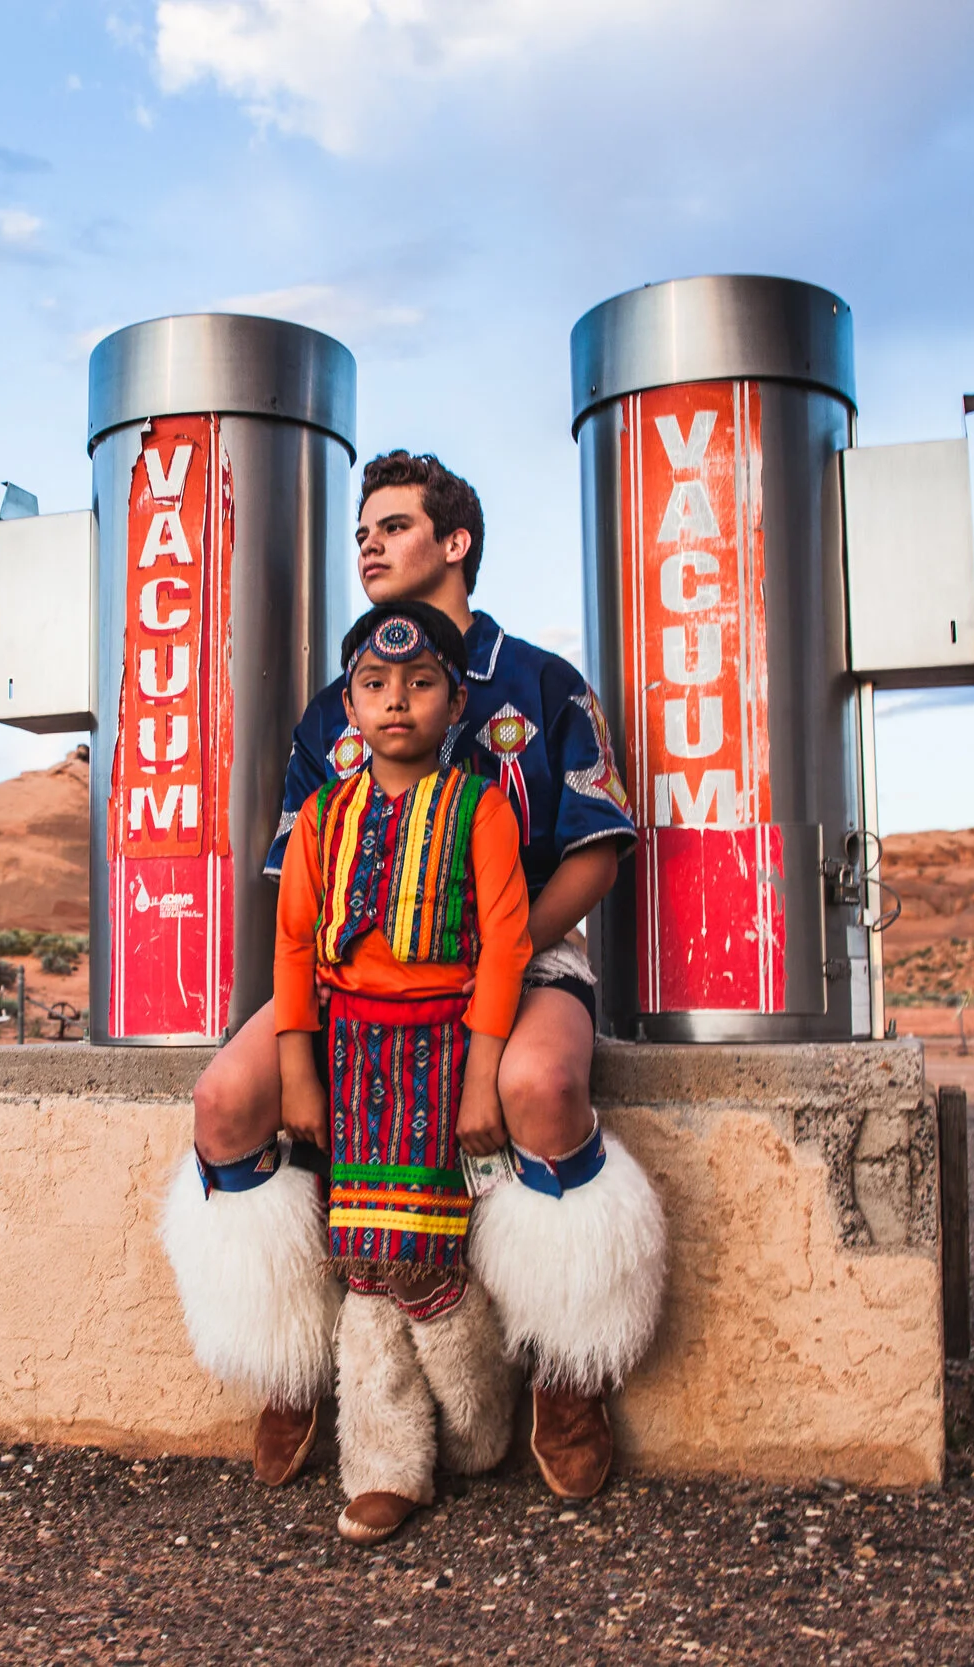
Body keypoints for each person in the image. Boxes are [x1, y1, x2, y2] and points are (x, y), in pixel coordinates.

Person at [158, 450, 668, 1502]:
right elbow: (298, 894)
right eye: (361, 533)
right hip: (357, 973)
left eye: (391, 525)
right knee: (226, 1098)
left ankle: (567, 1370)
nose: (369, 545)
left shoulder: (541, 683)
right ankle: (293, 1363)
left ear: (455, 542)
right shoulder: (333, 709)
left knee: (541, 1087)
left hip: (521, 957)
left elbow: (597, 848)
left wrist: (504, 951)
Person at [271, 601, 529, 1545]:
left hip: (442, 1047)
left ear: (456, 702)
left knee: (427, 1254)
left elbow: (505, 946)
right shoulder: (321, 815)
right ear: (349, 704)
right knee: (364, 1262)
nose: (396, 702)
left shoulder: (481, 808)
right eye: (375, 686)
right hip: (351, 1050)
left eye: (420, 684)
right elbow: (294, 942)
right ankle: (385, 1465)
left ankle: (478, 1421)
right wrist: (298, 1067)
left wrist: (483, 1071)